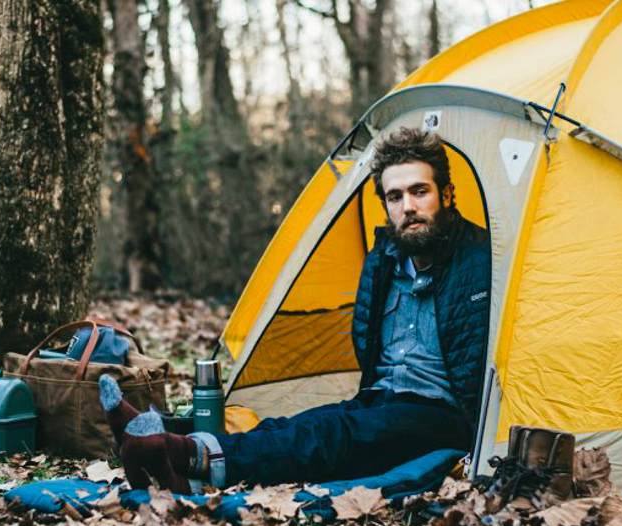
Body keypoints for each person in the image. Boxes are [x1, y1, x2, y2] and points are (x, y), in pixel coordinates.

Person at [98, 127, 491, 494]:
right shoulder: (382, 261)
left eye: (419, 191)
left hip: (442, 414)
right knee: (301, 424)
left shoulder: (482, 262)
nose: (408, 207)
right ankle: (170, 448)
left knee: (335, 434)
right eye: (395, 196)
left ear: (447, 194)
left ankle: (181, 454)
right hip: (380, 398)